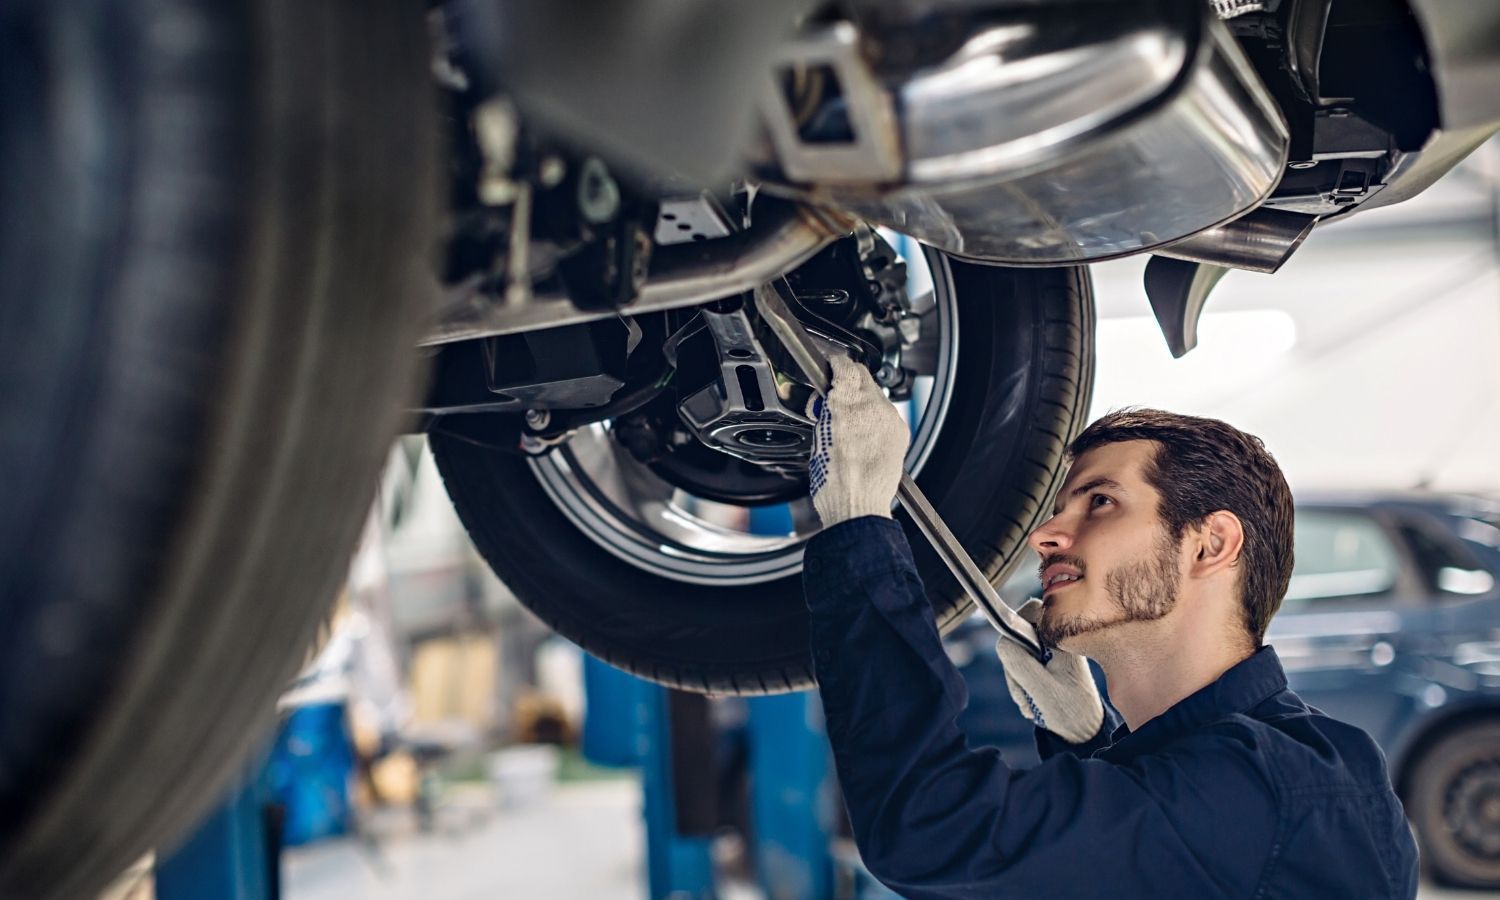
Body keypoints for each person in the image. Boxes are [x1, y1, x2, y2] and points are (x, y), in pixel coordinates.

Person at [801, 355, 1419, 899]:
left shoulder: (1266, 785)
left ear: (1211, 545)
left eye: (1100, 501)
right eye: (1060, 509)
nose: (1045, 536)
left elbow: (931, 832)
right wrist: (1089, 740)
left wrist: (859, 527)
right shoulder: (1294, 763)